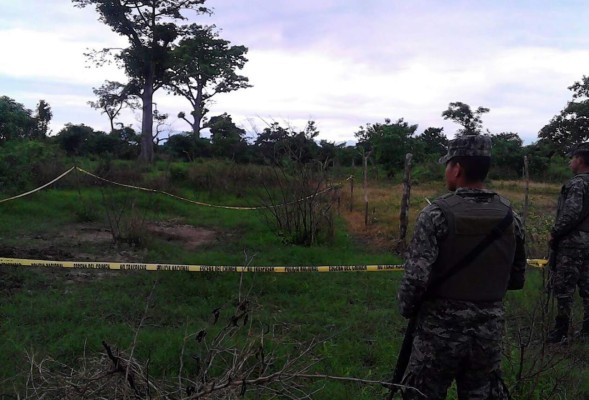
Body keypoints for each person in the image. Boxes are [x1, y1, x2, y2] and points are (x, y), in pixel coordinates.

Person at [396, 134, 527, 399]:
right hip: (487, 332)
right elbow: (517, 278)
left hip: (438, 332)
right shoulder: (510, 215)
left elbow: (416, 278)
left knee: (421, 393)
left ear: (457, 169)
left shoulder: (436, 214)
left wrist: (407, 309)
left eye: (447, 165)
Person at [546, 142, 589, 343]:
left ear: (579, 161)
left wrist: (555, 232)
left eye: (572, 158)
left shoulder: (577, 184)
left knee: (564, 287)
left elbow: (571, 212)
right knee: (587, 286)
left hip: (573, 243)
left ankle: (560, 332)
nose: (570, 162)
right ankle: (587, 330)